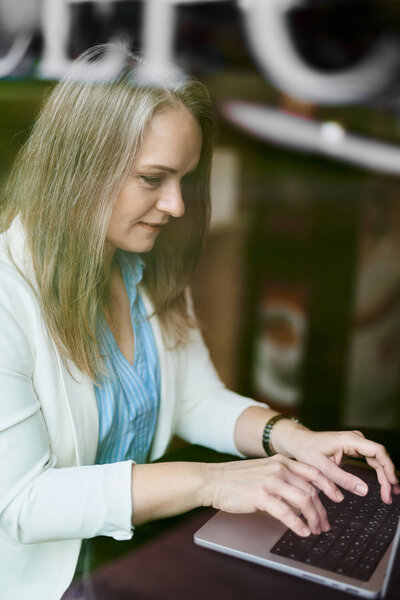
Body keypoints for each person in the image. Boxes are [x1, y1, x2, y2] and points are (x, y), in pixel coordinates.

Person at [0, 44, 398, 600]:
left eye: (184, 179)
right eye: (153, 178)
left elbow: (194, 400)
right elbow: (22, 503)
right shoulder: (6, 298)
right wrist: (209, 481)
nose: (177, 205)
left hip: (126, 557)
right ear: (80, 166)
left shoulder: (141, 267)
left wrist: (291, 439)